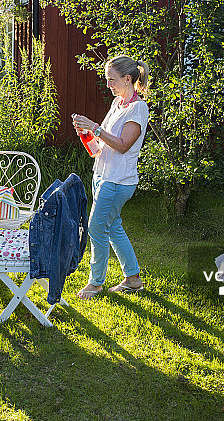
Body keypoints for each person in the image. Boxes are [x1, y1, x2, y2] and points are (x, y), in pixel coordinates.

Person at [72, 55, 150, 299]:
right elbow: (100, 146)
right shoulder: (118, 103)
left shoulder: (138, 109)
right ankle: (133, 279)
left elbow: (123, 145)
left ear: (127, 79)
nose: (108, 85)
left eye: (112, 80)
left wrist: (95, 127)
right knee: (113, 226)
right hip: (101, 175)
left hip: (118, 181)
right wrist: (86, 134)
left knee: (96, 228)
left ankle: (95, 283)